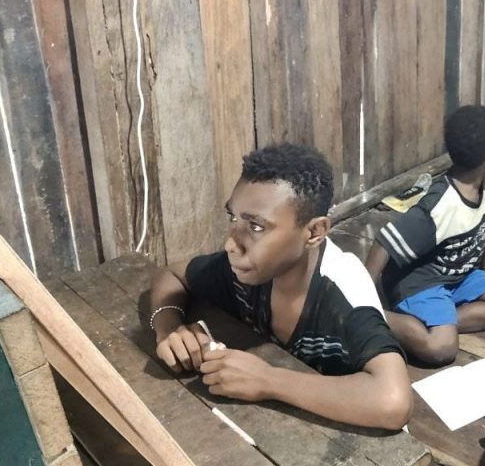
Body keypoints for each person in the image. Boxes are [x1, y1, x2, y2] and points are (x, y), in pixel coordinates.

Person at [148, 144, 413, 430]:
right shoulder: (252, 268)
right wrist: (169, 329)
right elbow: (172, 276)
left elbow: (393, 403)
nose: (231, 244)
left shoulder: (343, 292)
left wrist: (267, 381)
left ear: (314, 232)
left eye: (256, 227)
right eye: (233, 218)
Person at [366, 106, 485, 366]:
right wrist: (364, 300)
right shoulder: (440, 206)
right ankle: (378, 317)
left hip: (458, 277)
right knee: (442, 348)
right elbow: (384, 242)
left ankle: (435, 322)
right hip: (419, 284)